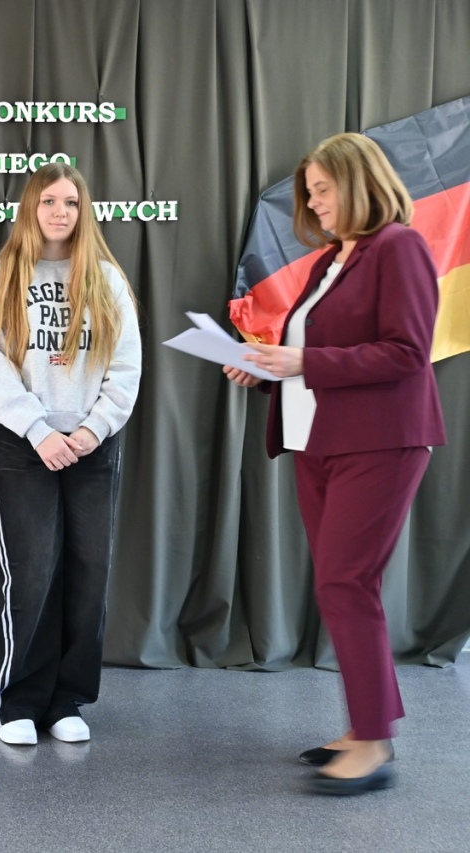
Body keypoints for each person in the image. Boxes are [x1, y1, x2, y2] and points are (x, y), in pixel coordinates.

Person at [226, 132, 445, 795]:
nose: (314, 202)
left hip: (379, 442)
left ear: (359, 182)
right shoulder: (330, 259)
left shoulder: (399, 246)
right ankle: (367, 726)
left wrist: (302, 360)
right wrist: (267, 370)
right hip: (317, 441)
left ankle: (373, 741)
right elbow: (316, 351)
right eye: (310, 192)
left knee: (346, 584)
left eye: (323, 189)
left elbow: (407, 352)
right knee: (343, 585)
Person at [0, 163, 141, 747]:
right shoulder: (2, 276)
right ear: (31, 207)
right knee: (31, 574)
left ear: (82, 210)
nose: (60, 212)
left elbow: (126, 366)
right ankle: (15, 701)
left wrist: (93, 430)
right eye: (49, 201)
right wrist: (38, 431)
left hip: (92, 445)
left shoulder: (106, 279)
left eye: (70, 202)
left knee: (87, 577)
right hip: (23, 446)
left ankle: (66, 700)